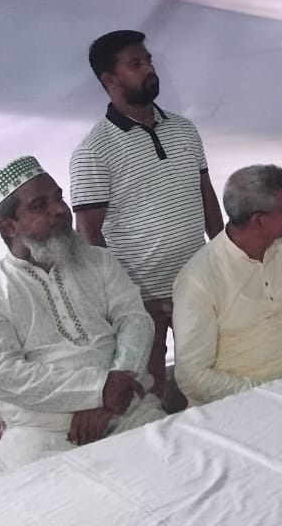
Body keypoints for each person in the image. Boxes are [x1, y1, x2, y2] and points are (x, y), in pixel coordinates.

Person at [0, 156, 165, 472]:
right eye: (39, 205)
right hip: (42, 430)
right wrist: (97, 390)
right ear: (8, 226)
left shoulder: (99, 261)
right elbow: (4, 374)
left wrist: (116, 390)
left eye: (59, 197)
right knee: (42, 495)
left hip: (125, 409)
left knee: (179, 467)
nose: (60, 209)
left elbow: (135, 320)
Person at [69, 29, 224, 405]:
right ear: (110, 79)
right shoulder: (93, 151)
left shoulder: (184, 129)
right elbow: (88, 236)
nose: (149, 69)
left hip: (199, 287)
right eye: (135, 64)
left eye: (148, 60)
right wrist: (124, 300)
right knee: (146, 398)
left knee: (210, 385)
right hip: (140, 303)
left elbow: (206, 195)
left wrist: (224, 259)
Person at [172, 165, 282, 406]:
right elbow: (192, 376)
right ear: (259, 221)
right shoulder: (199, 280)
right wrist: (265, 395)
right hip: (240, 405)